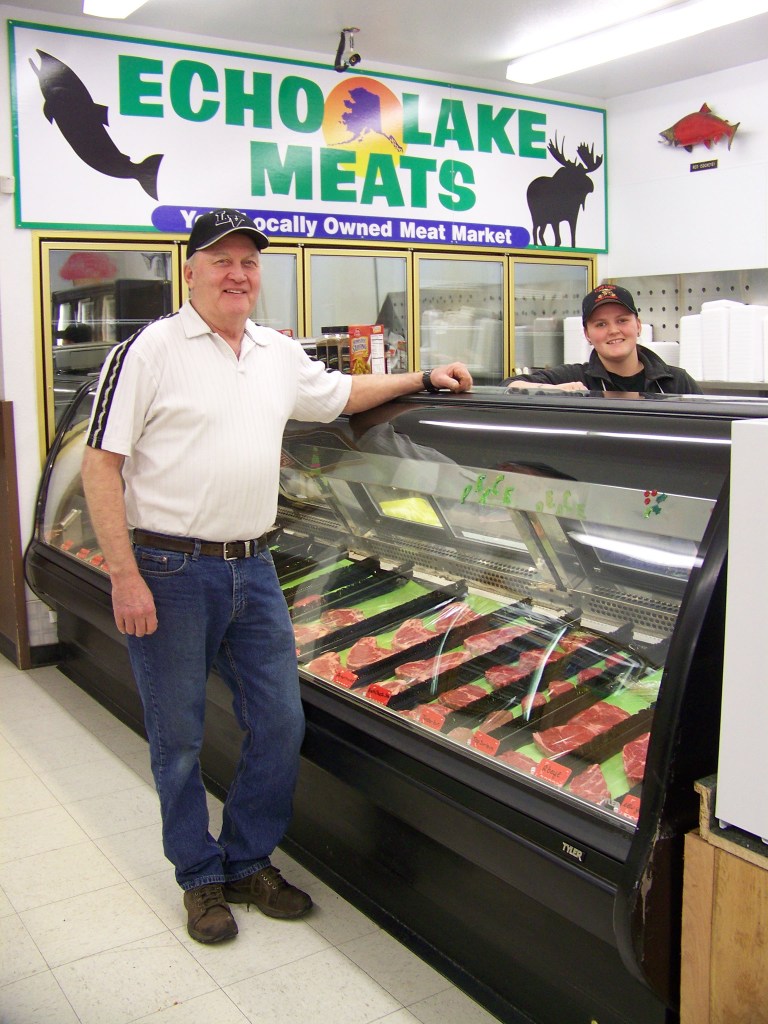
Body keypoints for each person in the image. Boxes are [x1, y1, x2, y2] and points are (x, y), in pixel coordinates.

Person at [81, 208, 472, 946]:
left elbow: (339, 396)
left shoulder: (273, 350)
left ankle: (249, 857)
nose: (237, 274)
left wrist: (424, 375)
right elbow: (101, 465)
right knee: (181, 737)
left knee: (281, 721)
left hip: (252, 566)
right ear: (189, 268)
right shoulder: (150, 350)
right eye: (221, 260)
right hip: (168, 568)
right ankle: (199, 877)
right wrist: (123, 575)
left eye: (249, 263)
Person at [505, 283, 702, 394]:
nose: (613, 330)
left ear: (638, 325)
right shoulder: (575, 377)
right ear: (587, 335)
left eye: (622, 320)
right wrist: (554, 390)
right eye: (601, 324)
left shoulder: (676, 382)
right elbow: (508, 386)